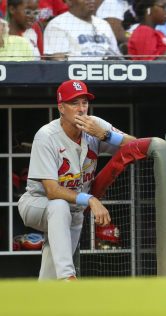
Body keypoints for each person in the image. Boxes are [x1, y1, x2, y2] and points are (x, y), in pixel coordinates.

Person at [18, 79, 136, 280]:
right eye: (74, 103)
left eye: (84, 102)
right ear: (61, 107)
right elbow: (52, 191)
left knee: (50, 274)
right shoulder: (46, 136)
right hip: (36, 203)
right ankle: (69, 278)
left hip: (73, 211)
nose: (81, 109)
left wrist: (106, 135)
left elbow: (136, 146)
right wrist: (90, 199)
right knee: (59, 206)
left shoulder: (95, 127)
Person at [43, 0, 121, 60]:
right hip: (76, 77)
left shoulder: (103, 24)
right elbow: (57, 61)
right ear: (69, 1)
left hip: (108, 75)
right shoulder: (57, 24)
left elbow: (116, 56)